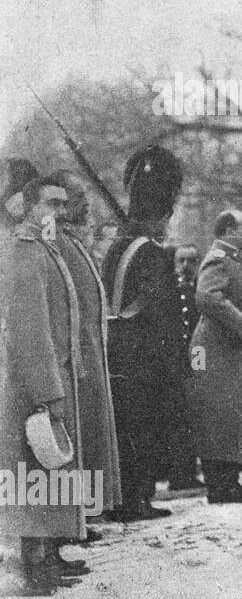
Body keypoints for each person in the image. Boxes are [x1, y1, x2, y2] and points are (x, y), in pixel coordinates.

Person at [0, 176, 88, 595]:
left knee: (50, 467)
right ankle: (33, 562)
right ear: (28, 207)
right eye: (50, 203)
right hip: (33, 385)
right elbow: (30, 330)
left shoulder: (47, 250)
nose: (59, 211)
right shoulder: (25, 252)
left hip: (54, 376)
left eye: (63, 204)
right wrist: (47, 390)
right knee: (33, 469)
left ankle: (49, 553)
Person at [102, 146, 187, 522]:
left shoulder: (118, 247)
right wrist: (175, 361)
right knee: (145, 429)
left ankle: (128, 496)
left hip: (117, 348)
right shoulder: (152, 253)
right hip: (146, 356)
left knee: (125, 429)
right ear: (161, 216)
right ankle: (137, 497)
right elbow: (157, 310)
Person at [52, 170, 123, 517]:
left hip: (92, 354)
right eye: (78, 195)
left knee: (92, 436)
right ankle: (79, 515)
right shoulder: (59, 245)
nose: (86, 201)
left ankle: (87, 512)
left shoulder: (73, 242)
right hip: (77, 357)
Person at [187, 210, 242, 504]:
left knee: (232, 415)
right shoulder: (218, 258)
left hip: (229, 348)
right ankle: (218, 486)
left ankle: (229, 481)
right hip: (215, 348)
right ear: (229, 230)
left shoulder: (231, 259)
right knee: (217, 415)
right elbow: (207, 297)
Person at [166, 242, 202, 491]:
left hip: (196, 358)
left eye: (191, 261)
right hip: (175, 362)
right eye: (182, 261)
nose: (186, 266)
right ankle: (178, 474)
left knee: (195, 415)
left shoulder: (200, 290)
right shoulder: (169, 291)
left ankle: (188, 472)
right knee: (178, 419)